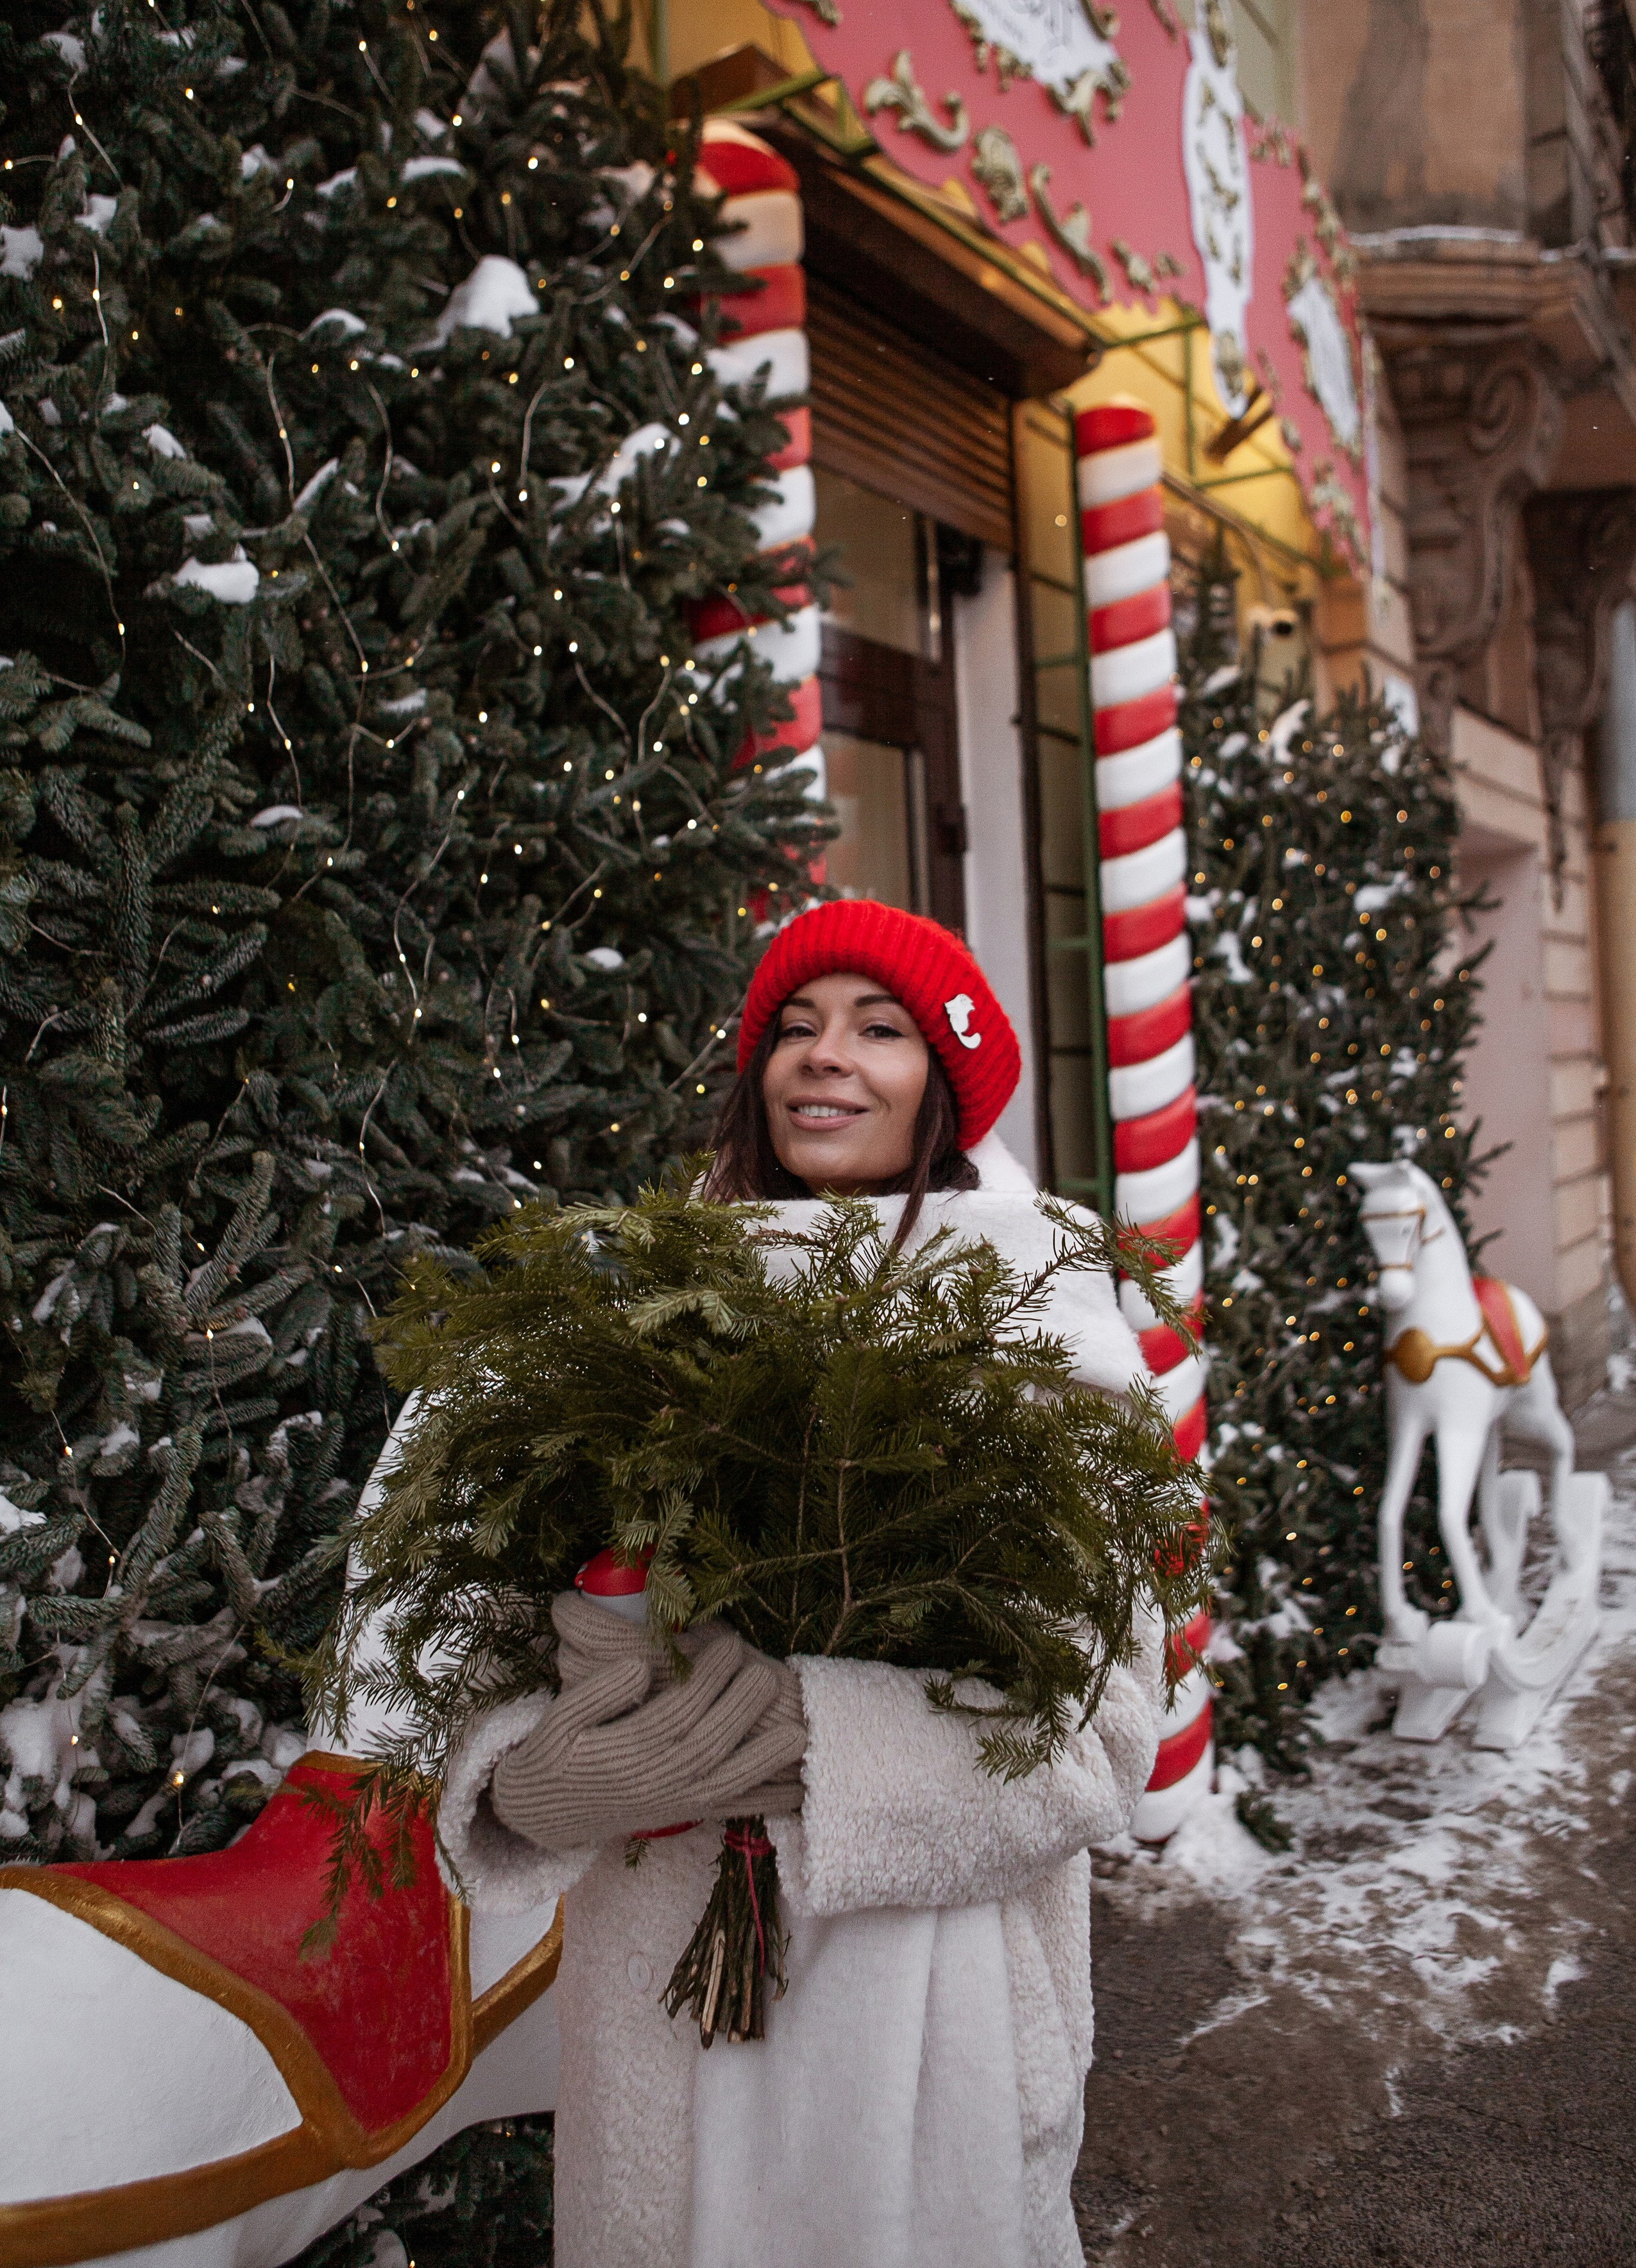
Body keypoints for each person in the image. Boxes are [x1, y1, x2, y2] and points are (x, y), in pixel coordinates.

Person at [437, 900, 1165, 2268]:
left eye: (878, 1030)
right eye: (794, 1025)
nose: (823, 1056)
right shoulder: (638, 1317)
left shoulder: (1037, 1327)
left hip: (919, 2023)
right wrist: (521, 1786)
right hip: (657, 2012)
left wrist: (811, 1732)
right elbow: (479, 1635)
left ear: (942, 1092)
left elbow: (1101, 1731)